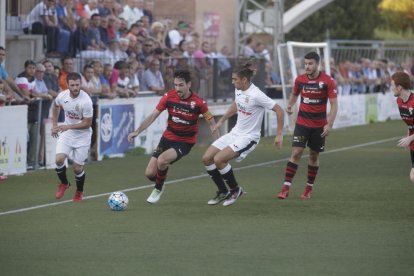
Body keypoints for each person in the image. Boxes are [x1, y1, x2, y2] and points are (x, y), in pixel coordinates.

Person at [127, 69, 219, 204]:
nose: (177, 88)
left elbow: (211, 123)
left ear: (189, 84)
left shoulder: (199, 103)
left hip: (185, 142)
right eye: (175, 85)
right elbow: (153, 115)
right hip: (167, 138)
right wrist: (137, 131)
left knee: (162, 160)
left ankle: (158, 189)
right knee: (149, 174)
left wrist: (219, 144)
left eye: (181, 85)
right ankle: (161, 181)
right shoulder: (168, 97)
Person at [202, 62, 284, 206]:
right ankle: (223, 191)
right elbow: (236, 104)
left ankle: (235, 190)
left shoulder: (257, 95)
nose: (232, 82)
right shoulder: (239, 90)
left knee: (219, 159)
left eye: (235, 79)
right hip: (235, 133)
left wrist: (279, 134)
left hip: (249, 137)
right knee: (207, 158)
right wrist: (221, 122)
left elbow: (279, 110)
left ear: (244, 80)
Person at [277, 51, 338, 200]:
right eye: (305, 64)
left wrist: (329, 125)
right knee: (296, 153)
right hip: (302, 123)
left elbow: (334, 105)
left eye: (310, 63)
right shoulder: (300, 80)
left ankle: (308, 188)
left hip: (319, 126)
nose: (307, 66)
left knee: (313, 155)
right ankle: (285, 188)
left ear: (318, 64)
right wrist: (290, 105)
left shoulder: (328, 81)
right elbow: (294, 93)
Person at [51, 72, 93, 202]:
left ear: (80, 84)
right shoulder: (62, 96)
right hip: (68, 133)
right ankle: (64, 183)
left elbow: (87, 123)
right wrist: (54, 124)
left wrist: (67, 127)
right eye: (72, 85)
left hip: (83, 136)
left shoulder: (86, 101)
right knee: (59, 160)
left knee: (77, 168)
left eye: (77, 85)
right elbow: (55, 105)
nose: (75, 88)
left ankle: (79, 191)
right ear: (67, 85)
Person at [392, 71, 414, 183]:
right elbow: (410, 124)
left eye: (392, 85)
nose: (391, 88)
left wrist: (409, 138)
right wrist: (408, 138)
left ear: (399, 87)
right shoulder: (399, 101)